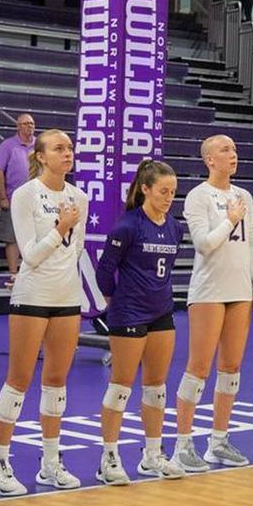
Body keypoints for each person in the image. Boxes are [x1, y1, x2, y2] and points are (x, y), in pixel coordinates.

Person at [0, 130, 88, 496]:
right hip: (31, 294)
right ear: (41, 156)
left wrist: (65, 234)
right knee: (19, 379)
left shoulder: (79, 196)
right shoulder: (26, 194)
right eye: (59, 148)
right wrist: (61, 227)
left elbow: (75, 250)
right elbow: (30, 254)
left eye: (70, 148)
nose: (68, 153)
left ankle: (50, 463)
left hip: (66, 296)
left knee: (57, 381)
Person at [173, 136, 253, 472]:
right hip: (209, 291)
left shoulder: (243, 196)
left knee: (231, 368)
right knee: (199, 368)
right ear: (209, 159)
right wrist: (229, 219)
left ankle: (219, 441)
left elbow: (252, 244)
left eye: (235, 149)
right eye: (226, 150)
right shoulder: (198, 196)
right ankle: (182, 445)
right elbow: (203, 244)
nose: (234, 154)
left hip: (239, 290)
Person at [95, 160, 186, 484]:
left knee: (156, 388)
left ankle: (152, 454)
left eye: (173, 192)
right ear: (145, 189)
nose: (168, 197)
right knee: (120, 387)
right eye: (163, 191)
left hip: (161, 311)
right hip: (129, 312)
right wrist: (112, 300)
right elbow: (105, 269)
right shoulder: (128, 226)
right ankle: (109, 457)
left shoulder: (175, 227)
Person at [0, 113, 37, 287]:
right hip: (13, 198)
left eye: (31, 124)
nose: (29, 127)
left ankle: (31, 271)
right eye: (25, 124)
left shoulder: (39, 145)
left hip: (35, 199)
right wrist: (2, 197)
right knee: (12, 238)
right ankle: (13, 273)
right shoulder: (8, 145)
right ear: (18, 127)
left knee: (35, 236)